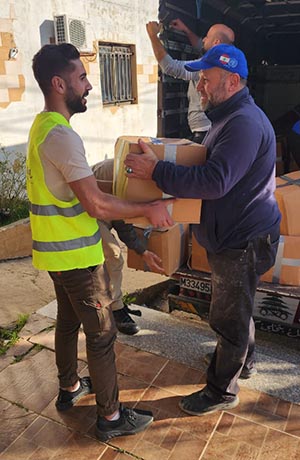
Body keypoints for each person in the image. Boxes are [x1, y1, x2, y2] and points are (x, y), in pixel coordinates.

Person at [26, 43, 174, 441]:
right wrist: (149, 211)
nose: (90, 85)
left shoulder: (43, 127)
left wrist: (138, 240)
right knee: (102, 334)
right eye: (82, 78)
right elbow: (95, 202)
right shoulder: (62, 138)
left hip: (56, 255)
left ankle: (70, 388)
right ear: (59, 84)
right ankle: (110, 418)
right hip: (77, 258)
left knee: (69, 322)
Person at [124, 44, 281, 416]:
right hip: (234, 234)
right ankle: (244, 360)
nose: (200, 88)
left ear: (233, 80)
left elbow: (214, 182)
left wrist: (157, 172)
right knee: (238, 308)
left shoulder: (243, 123)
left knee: (228, 317)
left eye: (206, 80)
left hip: (241, 239)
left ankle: (221, 390)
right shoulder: (229, 118)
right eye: (200, 80)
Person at [92, 159, 165, 335]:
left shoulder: (142, 178)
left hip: (104, 208)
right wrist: (142, 250)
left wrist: (142, 251)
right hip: (85, 210)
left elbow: (123, 221)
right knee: (113, 255)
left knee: (104, 260)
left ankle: (107, 302)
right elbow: (122, 217)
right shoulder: (130, 177)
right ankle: (115, 309)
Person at [146, 20, 235, 143]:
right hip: (217, 127)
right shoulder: (229, 62)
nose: (203, 39)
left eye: (207, 37)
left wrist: (152, 36)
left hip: (204, 132)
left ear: (216, 42)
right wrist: (186, 30)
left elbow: (170, 67)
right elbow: (201, 46)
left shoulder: (206, 65)